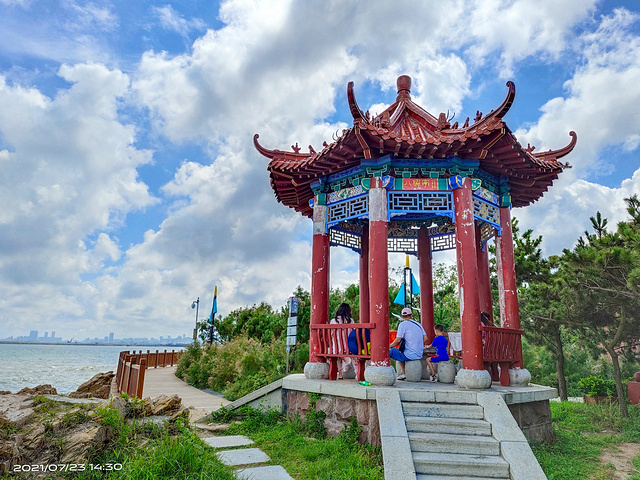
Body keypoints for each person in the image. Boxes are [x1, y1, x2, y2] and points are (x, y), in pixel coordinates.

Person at [389, 307, 427, 380]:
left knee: (390, 351)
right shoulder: (418, 324)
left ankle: (393, 373)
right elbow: (425, 338)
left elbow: (398, 340)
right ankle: (403, 373)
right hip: (419, 354)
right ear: (411, 315)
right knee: (400, 351)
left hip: (409, 355)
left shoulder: (402, 324)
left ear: (402, 316)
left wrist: (389, 346)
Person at [329, 303, 355, 379]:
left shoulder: (333, 321)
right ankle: (346, 361)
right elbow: (352, 335)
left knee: (338, 353)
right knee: (346, 352)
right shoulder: (351, 320)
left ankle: (340, 374)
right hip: (348, 348)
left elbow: (332, 335)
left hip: (336, 348)